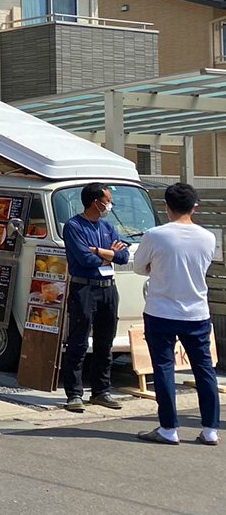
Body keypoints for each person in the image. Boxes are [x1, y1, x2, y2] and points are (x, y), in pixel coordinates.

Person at [133, 182, 220, 445]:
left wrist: (155, 268)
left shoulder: (155, 235)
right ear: (195, 206)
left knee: (163, 368)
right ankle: (210, 430)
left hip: (161, 311)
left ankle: (168, 428)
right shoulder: (208, 237)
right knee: (204, 369)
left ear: (167, 206)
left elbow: (138, 267)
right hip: (197, 311)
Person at [60, 182, 130, 413]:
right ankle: (74, 393)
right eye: (107, 200)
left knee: (105, 341)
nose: (110, 204)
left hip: (108, 287)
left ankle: (101, 391)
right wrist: (109, 254)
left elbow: (123, 255)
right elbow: (83, 259)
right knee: (79, 341)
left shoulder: (108, 226)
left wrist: (100, 252)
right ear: (95, 202)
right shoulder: (73, 226)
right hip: (84, 288)